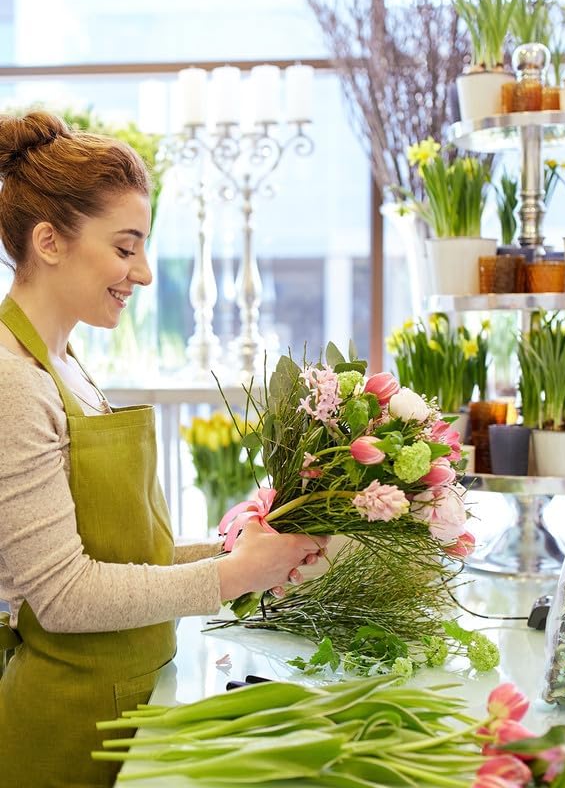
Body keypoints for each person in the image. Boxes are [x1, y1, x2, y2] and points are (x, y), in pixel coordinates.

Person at [0, 111, 327, 788]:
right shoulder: (11, 380)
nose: (143, 273)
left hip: (122, 700)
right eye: (125, 248)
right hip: (65, 727)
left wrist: (241, 550)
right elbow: (63, 595)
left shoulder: (65, 362)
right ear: (49, 241)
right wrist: (236, 575)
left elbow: (110, 554)